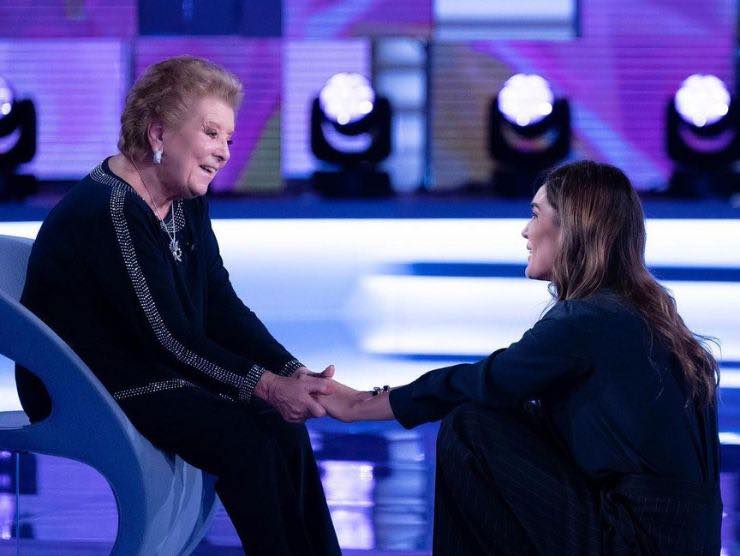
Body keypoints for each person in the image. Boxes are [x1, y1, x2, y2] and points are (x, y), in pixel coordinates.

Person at [15, 56, 341, 556]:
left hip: (151, 366)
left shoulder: (185, 198)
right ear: (158, 133)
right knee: (244, 438)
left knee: (280, 426)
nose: (224, 152)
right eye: (211, 133)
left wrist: (292, 372)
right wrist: (269, 386)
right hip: (84, 383)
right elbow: (168, 338)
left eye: (228, 138)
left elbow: (220, 304)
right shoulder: (112, 210)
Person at [320, 161, 722, 555]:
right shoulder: (647, 316)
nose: (526, 231)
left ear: (573, 229)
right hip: (672, 537)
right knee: (508, 419)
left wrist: (361, 405)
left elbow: (485, 381)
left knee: (470, 428)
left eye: (535, 214)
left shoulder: (592, 318)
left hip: (635, 538)